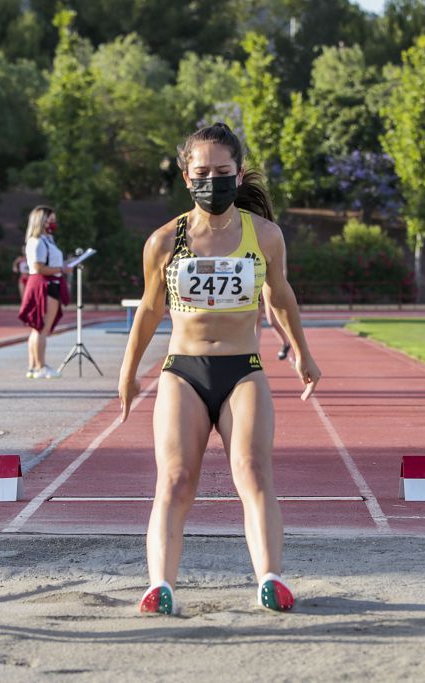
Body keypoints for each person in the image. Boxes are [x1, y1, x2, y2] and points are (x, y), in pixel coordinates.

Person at [118, 122, 321, 615]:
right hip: (183, 370)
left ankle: (270, 578)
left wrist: (303, 351)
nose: (213, 180)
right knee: (176, 478)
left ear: (239, 173)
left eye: (222, 171)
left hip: (242, 369)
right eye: (202, 172)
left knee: (253, 471)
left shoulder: (265, 236)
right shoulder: (165, 241)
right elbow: (149, 309)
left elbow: (281, 296)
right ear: (187, 177)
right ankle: (159, 585)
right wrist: (128, 372)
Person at [19, 206, 71, 379]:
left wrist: (64, 265)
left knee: (38, 329)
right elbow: (38, 267)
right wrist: (61, 268)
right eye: (50, 220)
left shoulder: (46, 239)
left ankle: (34, 366)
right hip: (44, 284)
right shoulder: (38, 241)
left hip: (47, 282)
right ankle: (40, 366)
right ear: (41, 221)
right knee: (42, 328)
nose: (53, 223)